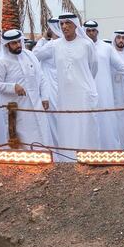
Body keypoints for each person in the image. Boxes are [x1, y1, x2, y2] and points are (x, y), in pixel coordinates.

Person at [0, 29, 52, 147]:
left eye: (19, 42)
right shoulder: (1, 62)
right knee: (24, 141)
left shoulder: (29, 55)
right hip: (18, 109)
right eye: (14, 43)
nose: (18, 45)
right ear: (7, 45)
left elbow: (41, 77)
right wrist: (13, 87)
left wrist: (45, 97)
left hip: (36, 106)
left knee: (43, 137)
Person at [53, 14, 100, 153]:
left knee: (85, 127)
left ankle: (88, 158)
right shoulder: (55, 45)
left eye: (68, 23)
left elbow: (93, 67)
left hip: (83, 94)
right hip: (65, 96)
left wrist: (83, 83)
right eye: (61, 24)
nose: (64, 26)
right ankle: (67, 159)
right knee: (67, 126)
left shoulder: (86, 44)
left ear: (75, 25)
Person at [84, 21, 124, 149]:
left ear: (97, 32)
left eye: (93, 30)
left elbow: (121, 66)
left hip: (104, 91)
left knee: (106, 120)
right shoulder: (80, 46)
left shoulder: (106, 48)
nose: (91, 33)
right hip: (85, 91)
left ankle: (109, 150)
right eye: (88, 30)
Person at [33, 18, 62, 144]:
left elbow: (35, 54)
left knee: (53, 120)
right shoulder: (63, 43)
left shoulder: (51, 44)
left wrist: (43, 38)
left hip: (51, 87)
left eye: (49, 28)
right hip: (60, 85)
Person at [111, 30, 124, 145]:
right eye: (118, 38)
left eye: (123, 38)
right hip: (112, 94)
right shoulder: (110, 53)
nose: (120, 40)